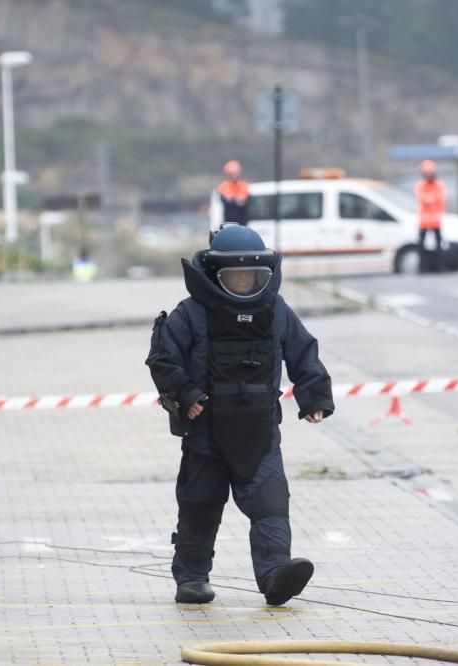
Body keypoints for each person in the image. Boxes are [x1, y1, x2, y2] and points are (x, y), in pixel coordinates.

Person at [146, 224, 335, 607]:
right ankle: (192, 578)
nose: (245, 283)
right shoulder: (192, 314)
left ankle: (275, 575)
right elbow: (163, 359)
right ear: (216, 274)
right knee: (200, 506)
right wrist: (186, 394)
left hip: (260, 432)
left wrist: (314, 397)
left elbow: (304, 353)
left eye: (252, 276)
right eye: (236, 276)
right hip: (206, 435)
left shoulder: (276, 310)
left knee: (270, 506)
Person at [414, 159, 446, 272]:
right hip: (424, 221)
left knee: (439, 245)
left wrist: (430, 200)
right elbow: (423, 199)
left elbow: (439, 198)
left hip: (436, 220)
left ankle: (439, 267)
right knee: (421, 245)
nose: (428, 175)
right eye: (426, 173)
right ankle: (422, 267)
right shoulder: (420, 185)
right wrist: (431, 200)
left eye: (430, 173)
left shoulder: (439, 185)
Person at [208, 160, 252, 237]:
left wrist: (235, 201)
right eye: (232, 173)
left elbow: (245, 201)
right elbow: (227, 203)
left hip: (242, 223)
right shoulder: (223, 187)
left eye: (236, 172)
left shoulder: (244, 186)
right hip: (227, 224)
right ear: (227, 174)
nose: (234, 175)